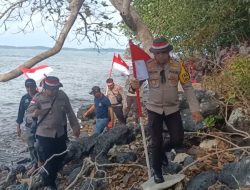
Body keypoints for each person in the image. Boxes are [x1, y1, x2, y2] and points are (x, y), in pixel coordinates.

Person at [145, 37, 203, 183]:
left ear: (168, 52)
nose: (159, 56)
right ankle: (157, 171)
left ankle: (162, 153)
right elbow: (135, 84)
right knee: (155, 142)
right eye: (156, 53)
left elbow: (188, 87)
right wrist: (133, 84)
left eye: (162, 53)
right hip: (154, 109)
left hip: (172, 109)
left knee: (178, 139)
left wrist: (194, 109)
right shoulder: (147, 66)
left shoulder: (178, 66)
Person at [26, 76, 80, 189]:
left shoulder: (62, 95)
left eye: (56, 88)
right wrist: (34, 114)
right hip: (44, 135)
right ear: (45, 88)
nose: (55, 91)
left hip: (60, 133)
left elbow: (69, 111)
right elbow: (28, 114)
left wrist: (75, 126)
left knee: (61, 156)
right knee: (49, 160)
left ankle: (51, 175)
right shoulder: (38, 98)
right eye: (52, 89)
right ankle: (49, 183)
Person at [16, 78, 38, 176]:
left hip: (40, 125)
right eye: (27, 87)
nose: (29, 89)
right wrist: (18, 126)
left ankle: (39, 163)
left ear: (35, 86)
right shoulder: (24, 98)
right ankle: (34, 162)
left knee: (40, 145)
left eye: (31, 86)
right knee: (31, 145)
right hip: (29, 126)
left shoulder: (40, 96)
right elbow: (20, 113)